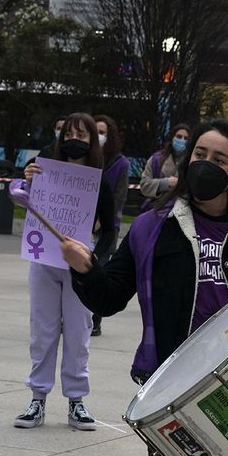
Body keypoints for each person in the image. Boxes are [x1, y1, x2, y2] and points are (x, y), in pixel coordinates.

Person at [62, 118, 228, 456]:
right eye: (200, 153)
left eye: (219, 159)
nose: (205, 164)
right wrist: (86, 269)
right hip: (173, 390)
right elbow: (109, 298)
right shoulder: (151, 227)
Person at [13, 113, 116, 431]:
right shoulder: (42, 167)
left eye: (83, 134)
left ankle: (76, 401)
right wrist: (25, 180)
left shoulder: (99, 180)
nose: (75, 138)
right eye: (69, 132)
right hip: (44, 262)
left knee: (78, 334)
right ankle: (37, 398)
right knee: (42, 332)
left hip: (79, 269)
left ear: (93, 142)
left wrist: (94, 260)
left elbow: (111, 227)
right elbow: (21, 199)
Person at [90, 114, 129, 337]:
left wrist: (102, 220)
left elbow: (119, 197)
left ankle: (95, 320)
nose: (99, 136)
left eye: (102, 132)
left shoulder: (120, 164)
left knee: (100, 270)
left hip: (106, 227)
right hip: (82, 223)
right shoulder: (87, 160)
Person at [139, 123, 190, 200]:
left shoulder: (191, 161)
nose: (182, 140)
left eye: (186, 138)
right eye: (179, 137)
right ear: (172, 138)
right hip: (158, 207)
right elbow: (144, 185)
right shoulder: (156, 159)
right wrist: (166, 183)